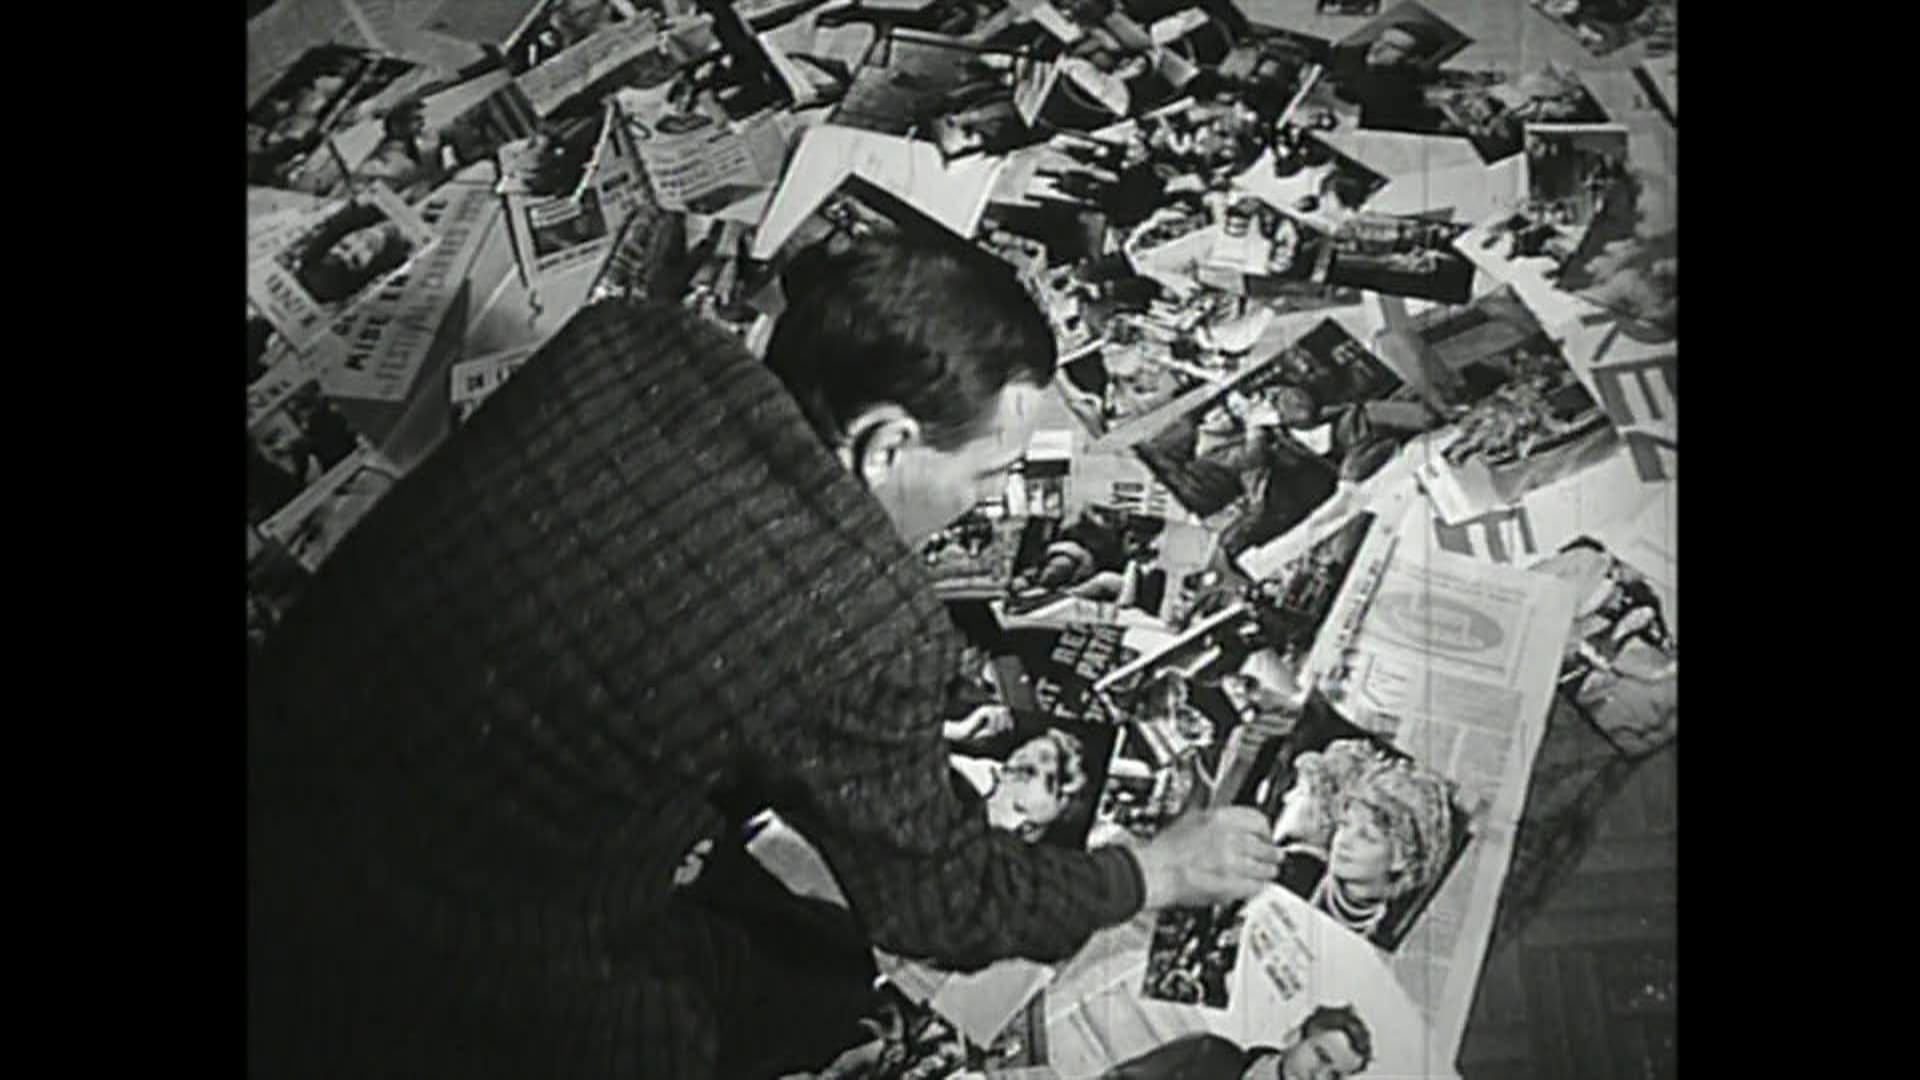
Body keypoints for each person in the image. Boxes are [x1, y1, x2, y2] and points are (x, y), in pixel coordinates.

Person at [248, 235, 1285, 1079]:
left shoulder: (632, 335)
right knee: (813, 996)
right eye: (983, 472)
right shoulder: (868, 621)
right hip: (405, 935)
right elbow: (942, 906)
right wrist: (1149, 871)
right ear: (885, 445)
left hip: (291, 747)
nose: (989, 502)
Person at [1309, 758, 1456, 945]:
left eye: (1366, 837)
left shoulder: (1393, 931)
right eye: (1344, 825)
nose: (1344, 842)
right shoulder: (1298, 870)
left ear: (1400, 858)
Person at [1102, 1004, 1373, 1079]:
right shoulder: (1208, 1054)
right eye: (1321, 1057)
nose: (1319, 1076)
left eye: (1335, 1077)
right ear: (1295, 1036)